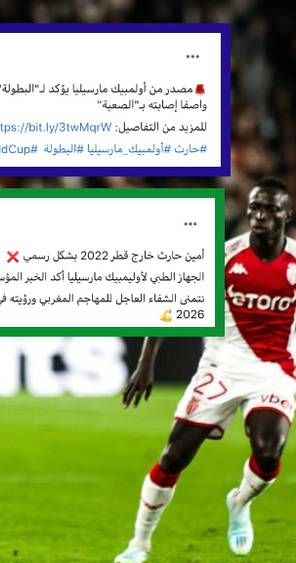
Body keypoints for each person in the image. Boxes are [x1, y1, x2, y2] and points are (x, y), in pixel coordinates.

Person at [114, 178, 296, 562]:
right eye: (255, 207)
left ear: (287, 215)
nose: (260, 215)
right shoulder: (223, 257)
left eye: (270, 209)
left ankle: (240, 501)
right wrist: (146, 364)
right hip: (222, 365)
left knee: (268, 452)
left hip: (274, 372)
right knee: (173, 457)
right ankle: (138, 544)